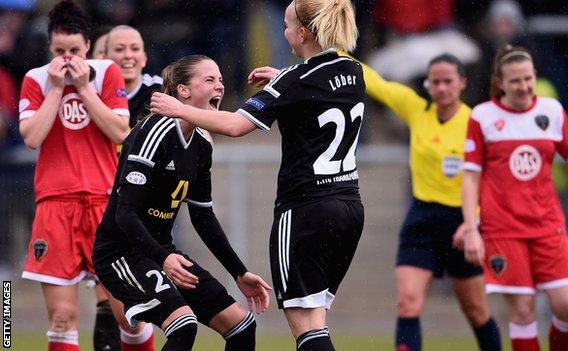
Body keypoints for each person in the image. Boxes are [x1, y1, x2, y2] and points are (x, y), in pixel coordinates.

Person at [151, 1, 364, 350]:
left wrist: (180, 108)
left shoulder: (295, 82)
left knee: (305, 323)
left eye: (286, 25)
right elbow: (322, 91)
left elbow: (235, 125)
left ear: (301, 33)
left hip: (306, 210)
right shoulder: (352, 70)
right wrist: (281, 80)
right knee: (317, 318)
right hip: (350, 208)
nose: (284, 32)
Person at [93, 54, 271, 351]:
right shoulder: (154, 132)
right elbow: (125, 215)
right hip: (121, 252)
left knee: (242, 326)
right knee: (183, 325)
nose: (219, 86)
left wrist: (239, 273)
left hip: (162, 253)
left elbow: (203, 217)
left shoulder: (201, 144)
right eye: (209, 80)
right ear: (183, 91)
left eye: (221, 80)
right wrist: (163, 258)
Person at [458, 45, 568, 351]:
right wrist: (470, 228)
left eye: (528, 78)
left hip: (548, 225)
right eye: (516, 81)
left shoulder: (552, 111)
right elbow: (470, 177)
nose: (524, 86)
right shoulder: (483, 117)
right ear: (501, 83)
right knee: (522, 311)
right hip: (504, 229)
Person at [347, 52, 502, 351]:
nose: (441, 88)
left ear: (462, 83)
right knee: (408, 303)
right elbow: (376, 83)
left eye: (448, 81)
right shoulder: (417, 110)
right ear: (428, 85)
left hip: (463, 223)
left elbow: (491, 180)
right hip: (422, 219)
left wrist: (474, 224)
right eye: (436, 82)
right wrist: (334, 53)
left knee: (476, 311)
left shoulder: (477, 123)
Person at [18, 1, 132, 351]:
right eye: (59, 51)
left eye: (74, 50)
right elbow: (33, 136)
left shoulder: (106, 73)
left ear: (87, 46)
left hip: (102, 203)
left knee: (128, 313)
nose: (67, 58)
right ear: (49, 48)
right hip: (56, 205)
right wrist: (56, 90)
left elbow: (119, 131)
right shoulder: (36, 80)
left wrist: (83, 89)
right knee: (63, 317)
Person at [105, 25, 162, 128]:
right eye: (119, 49)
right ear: (104, 58)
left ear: (144, 58)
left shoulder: (161, 90)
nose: (128, 55)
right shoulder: (92, 93)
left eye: (135, 49)